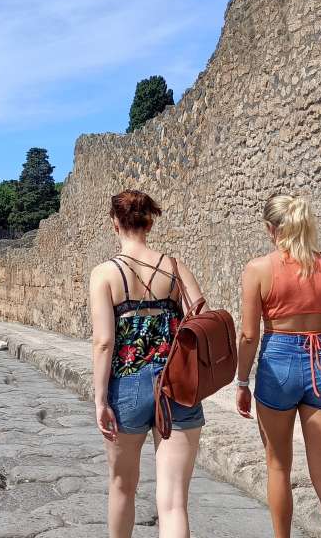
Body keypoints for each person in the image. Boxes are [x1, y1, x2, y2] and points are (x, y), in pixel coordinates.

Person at [235, 195, 321, 538]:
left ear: (270, 229)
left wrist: (242, 382)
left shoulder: (258, 269)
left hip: (279, 360)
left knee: (277, 466)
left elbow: (248, 336)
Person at [87, 190, 205, 538]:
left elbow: (104, 342)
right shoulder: (174, 266)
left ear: (114, 224)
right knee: (173, 502)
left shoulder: (105, 274)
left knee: (122, 486)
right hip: (177, 385)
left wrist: (99, 400)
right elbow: (202, 319)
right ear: (149, 222)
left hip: (127, 385)